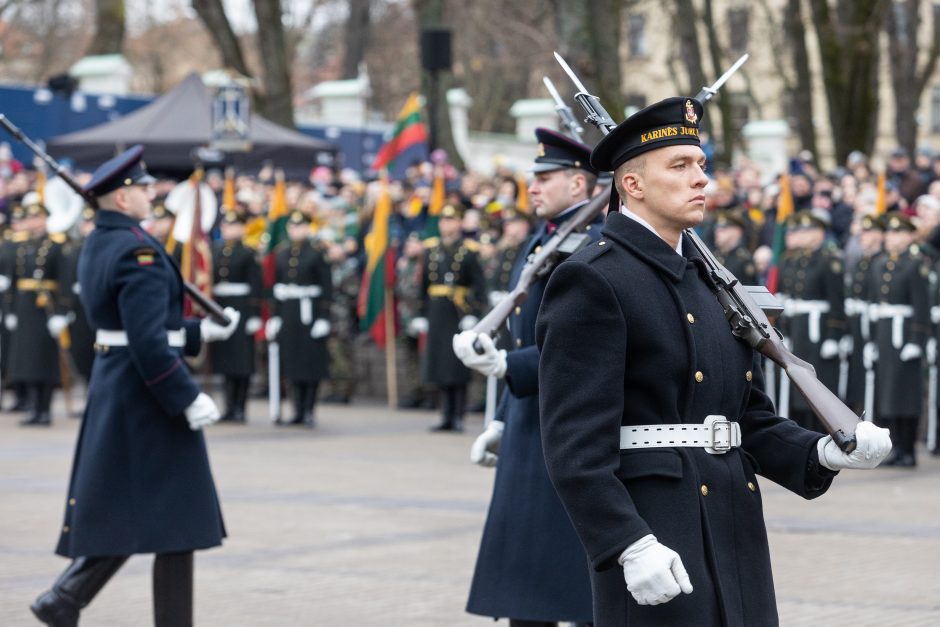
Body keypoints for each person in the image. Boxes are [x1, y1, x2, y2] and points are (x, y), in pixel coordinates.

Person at [536, 97, 892, 626]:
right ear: (631, 184)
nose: (700, 178)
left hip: (732, 523)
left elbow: (745, 416)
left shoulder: (710, 283)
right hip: (657, 533)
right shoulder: (594, 278)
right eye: (679, 166)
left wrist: (821, 452)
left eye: (701, 165)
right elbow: (573, 447)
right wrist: (627, 544)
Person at [30, 145, 240, 627]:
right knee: (178, 518)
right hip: (147, 393)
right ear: (122, 199)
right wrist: (185, 396)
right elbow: (144, 340)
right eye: (143, 188)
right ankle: (71, 599)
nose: (151, 193)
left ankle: (66, 598)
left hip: (122, 384)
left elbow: (129, 328)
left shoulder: (103, 241)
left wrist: (196, 332)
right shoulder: (138, 249)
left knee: (151, 514)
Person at [455, 128, 597, 626]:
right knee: (525, 587)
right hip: (526, 417)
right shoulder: (545, 240)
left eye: (546, 178)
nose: (532, 187)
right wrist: (500, 417)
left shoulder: (589, 246)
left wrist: (508, 369)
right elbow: (521, 336)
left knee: (573, 584)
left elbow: (582, 347)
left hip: (564, 427)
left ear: (580, 186)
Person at [411, 204, 486, 432]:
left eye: (452, 220)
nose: (447, 225)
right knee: (439, 364)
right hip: (436, 310)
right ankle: (444, 414)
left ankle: (458, 414)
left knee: (457, 364)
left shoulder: (469, 250)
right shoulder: (430, 249)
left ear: (460, 223)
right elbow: (423, 285)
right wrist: (420, 314)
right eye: (444, 221)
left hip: (458, 311)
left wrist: (473, 314)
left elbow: (479, 286)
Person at [868, 213, 929, 467]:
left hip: (904, 334)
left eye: (898, 233)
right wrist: (872, 340)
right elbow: (875, 306)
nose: (892, 238)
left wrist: (917, 339)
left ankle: (909, 449)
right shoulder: (880, 263)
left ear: (908, 237)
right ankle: (895, 449)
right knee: (888, 392)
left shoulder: (915, 265)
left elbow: (921, 306)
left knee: (907, 392)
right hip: (885, 332)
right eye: (890, 233)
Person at [776, 209, 846, 432]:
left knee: (819, 382)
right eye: (800, 231)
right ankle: (803, 430)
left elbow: (837, 302)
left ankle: (823, 430)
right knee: (800, 383)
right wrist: (784, 329)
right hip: (799, 328)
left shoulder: (828, 261)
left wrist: (834, 335)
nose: (801, 234)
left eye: (807, 230)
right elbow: (788, 298)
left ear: (820, 234)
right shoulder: (793, 261)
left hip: (820, 330)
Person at [265, 210, 332, 427]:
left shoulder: (316, 253)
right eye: (292, 227)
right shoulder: (282, 253)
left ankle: (309, 410)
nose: (296, 230)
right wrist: (275, 316)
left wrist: (323, 317)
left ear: (308, 228)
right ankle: (297, 410)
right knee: (291, 363)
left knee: (310, 363)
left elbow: (326, 288)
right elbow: (276, 287)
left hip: (310, 312)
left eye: (300, 226)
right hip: (289, 312)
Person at [8, 192, 70, 426]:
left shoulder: (54, 246)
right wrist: (12, 309)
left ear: (44, 219)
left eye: (37, 218)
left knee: (44, 360)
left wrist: (64, 313)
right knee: (28, 360)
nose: (32, 222)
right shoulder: (24, 247)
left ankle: (45, 410)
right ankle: (34, 408)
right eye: (30, 218)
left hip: (47, 308)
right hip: (26, 308)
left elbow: (64, 280)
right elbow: (16, 281)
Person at [210, 207, 263, 423]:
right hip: (221, 308)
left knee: (242, 361)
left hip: (241, 308)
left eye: (233, 225)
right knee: (225, 360)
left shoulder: (248, 253)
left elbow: (255, 285)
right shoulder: (217, 251)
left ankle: (240, 406)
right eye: (226, 225)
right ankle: (229, 406)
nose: (229, 229)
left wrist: (254, 314)